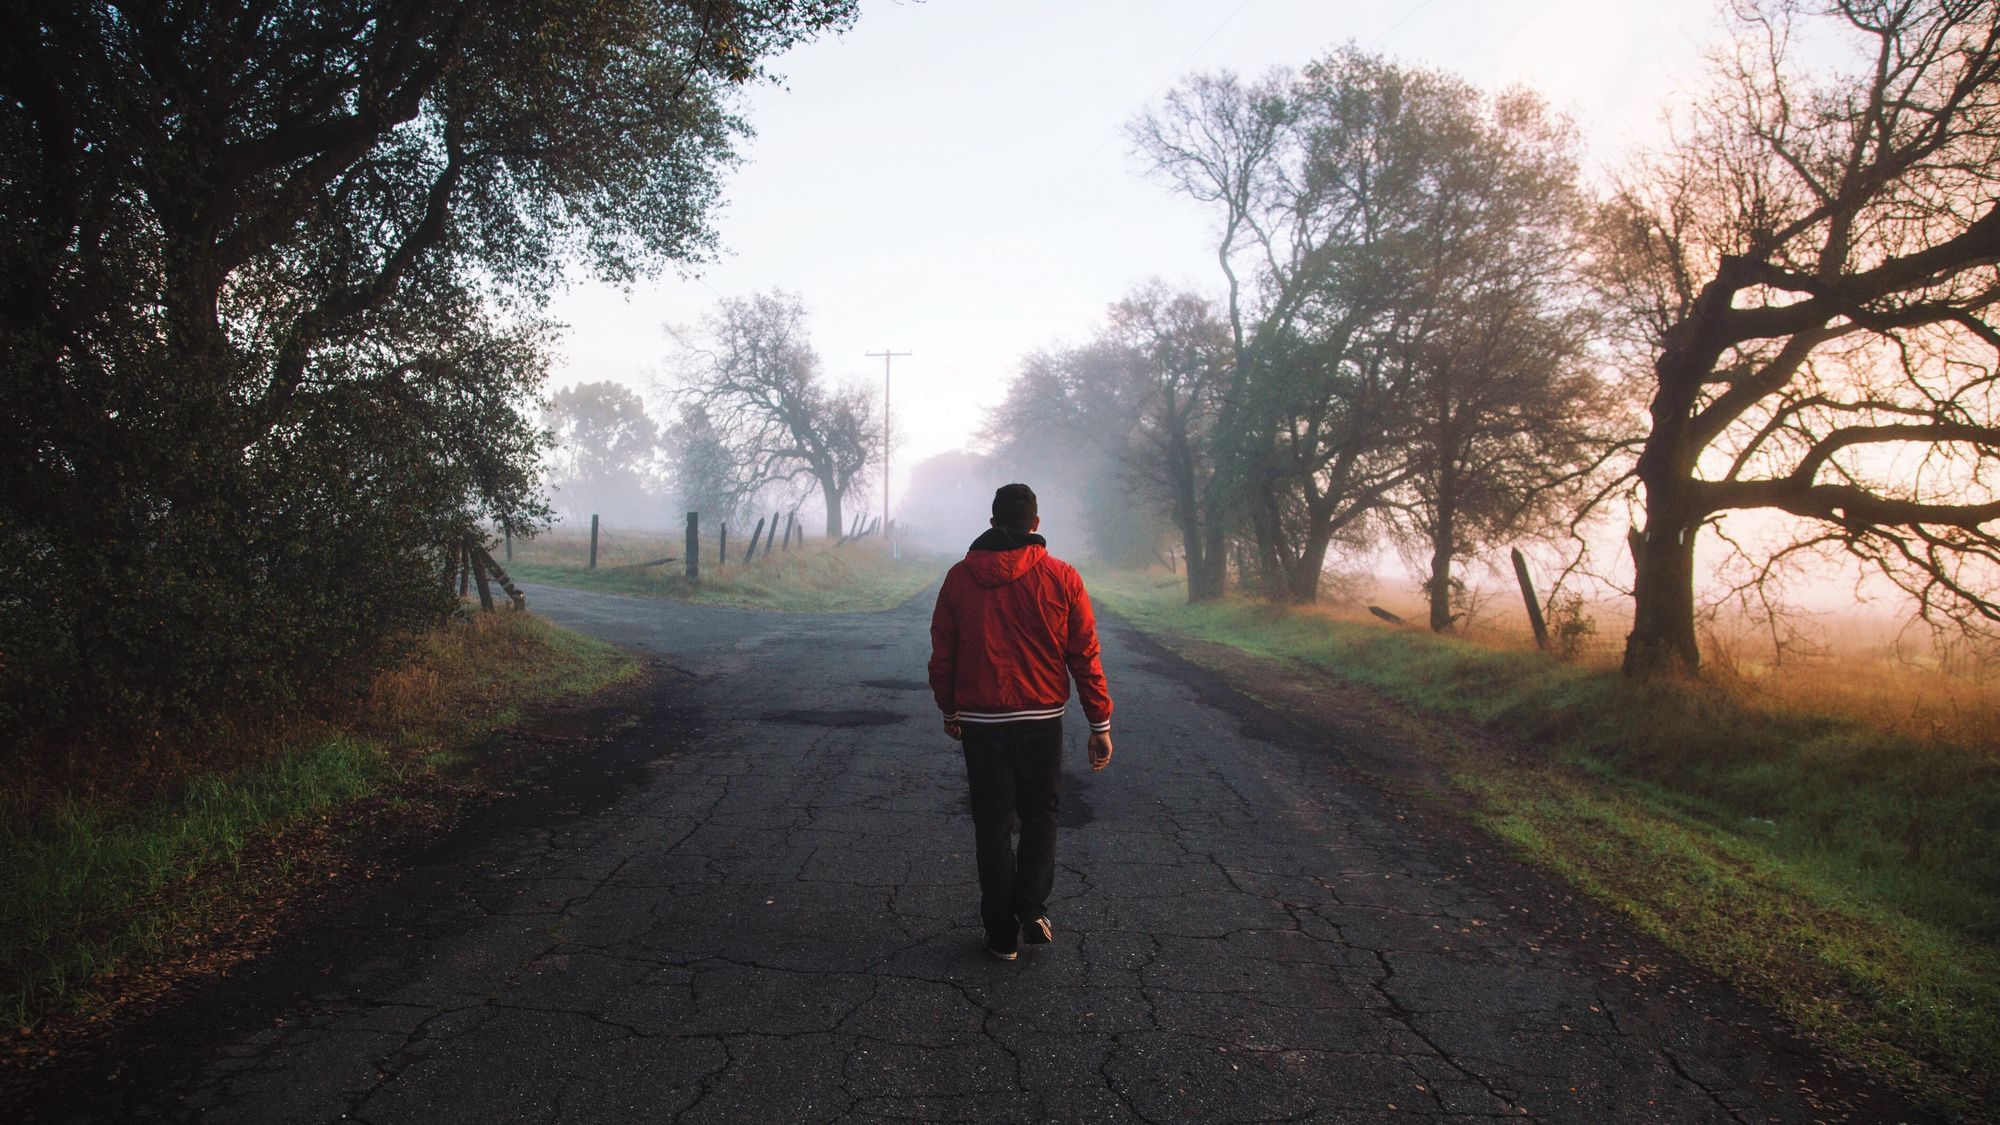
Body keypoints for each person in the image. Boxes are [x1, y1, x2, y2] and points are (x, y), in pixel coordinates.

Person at [927, 483, 1115, 961]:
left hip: (981, 721)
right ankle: (1032, 908)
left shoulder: (958, 579)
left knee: (992, 824)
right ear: (1036, 524)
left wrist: (950, 710)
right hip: (1041, 719)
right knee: (1040, 814)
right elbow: (1084, 654)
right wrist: (1100, 723)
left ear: (992, 523)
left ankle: (1000, 933)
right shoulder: (1063, 577)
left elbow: (943, 654)